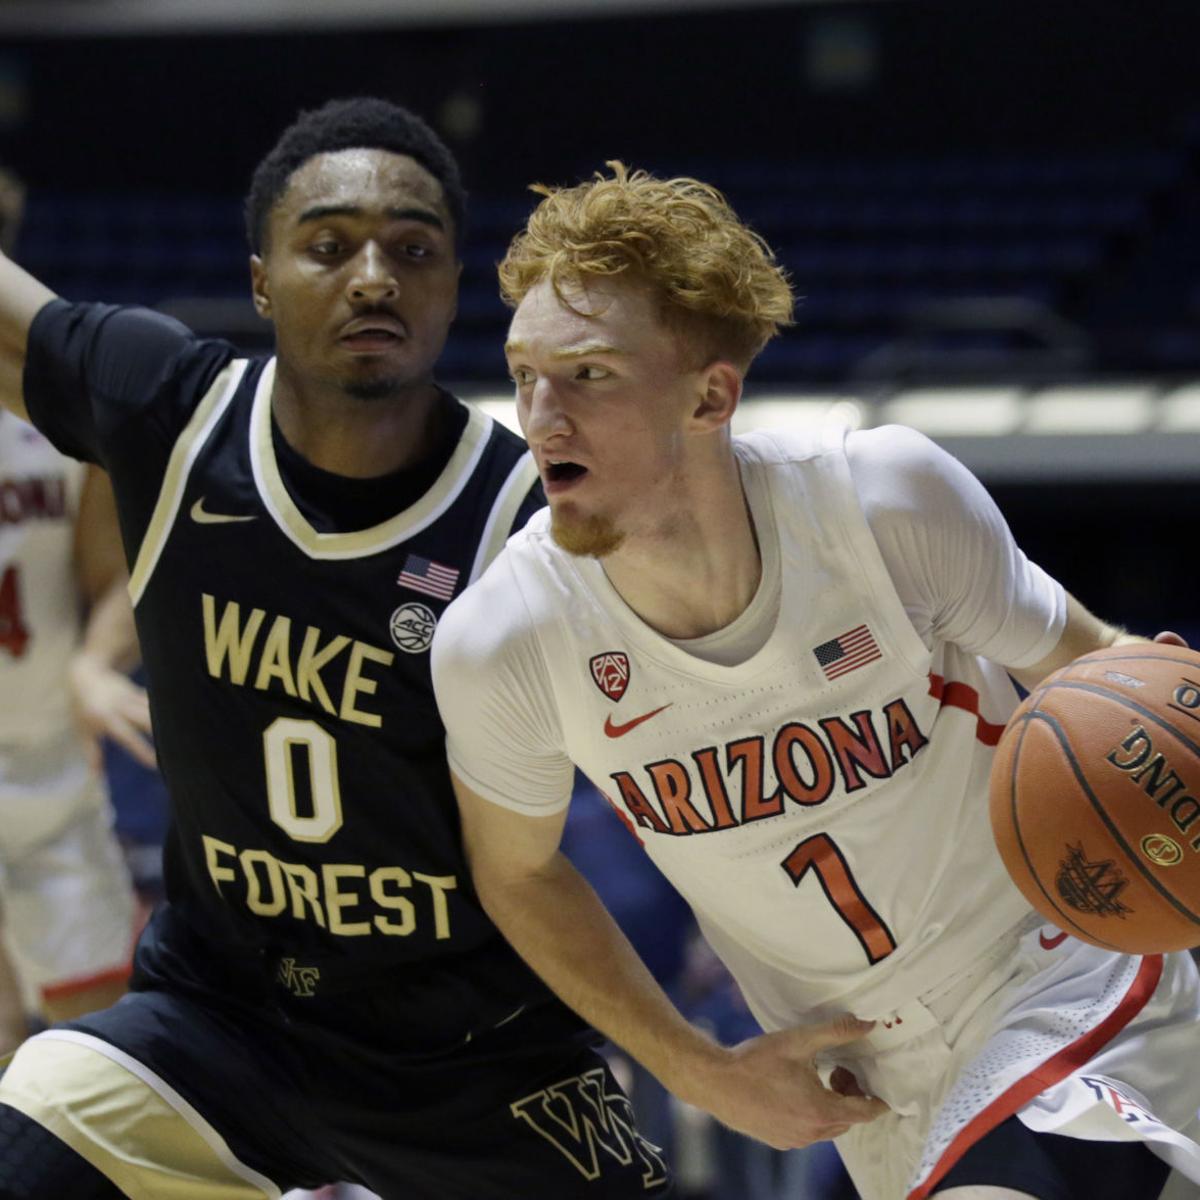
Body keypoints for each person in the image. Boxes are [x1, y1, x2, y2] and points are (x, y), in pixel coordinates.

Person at [430, 162, 1200, 1200]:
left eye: (591, 375)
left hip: (1063, 975)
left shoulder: (880, 503)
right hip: (868, 1085)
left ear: (711, 394)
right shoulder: (504, 639)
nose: (541, 415)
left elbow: (1097, 671)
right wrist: (698, 1069)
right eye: (525, 373)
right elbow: (517, 873)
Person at [0, 103, 667, 1199]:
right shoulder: (173, 413)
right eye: (328, 246)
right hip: (212, 1029)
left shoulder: (536, 524)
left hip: (474, 1061)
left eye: (412, 251)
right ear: (262, 278)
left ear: (457, 286)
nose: (373, 279)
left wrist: (711, 1066)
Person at [0, 165, 146, 1056]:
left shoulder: (57, 404)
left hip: (49, 766)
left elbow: (113, 577)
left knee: (97, 1055)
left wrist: (96, 662)